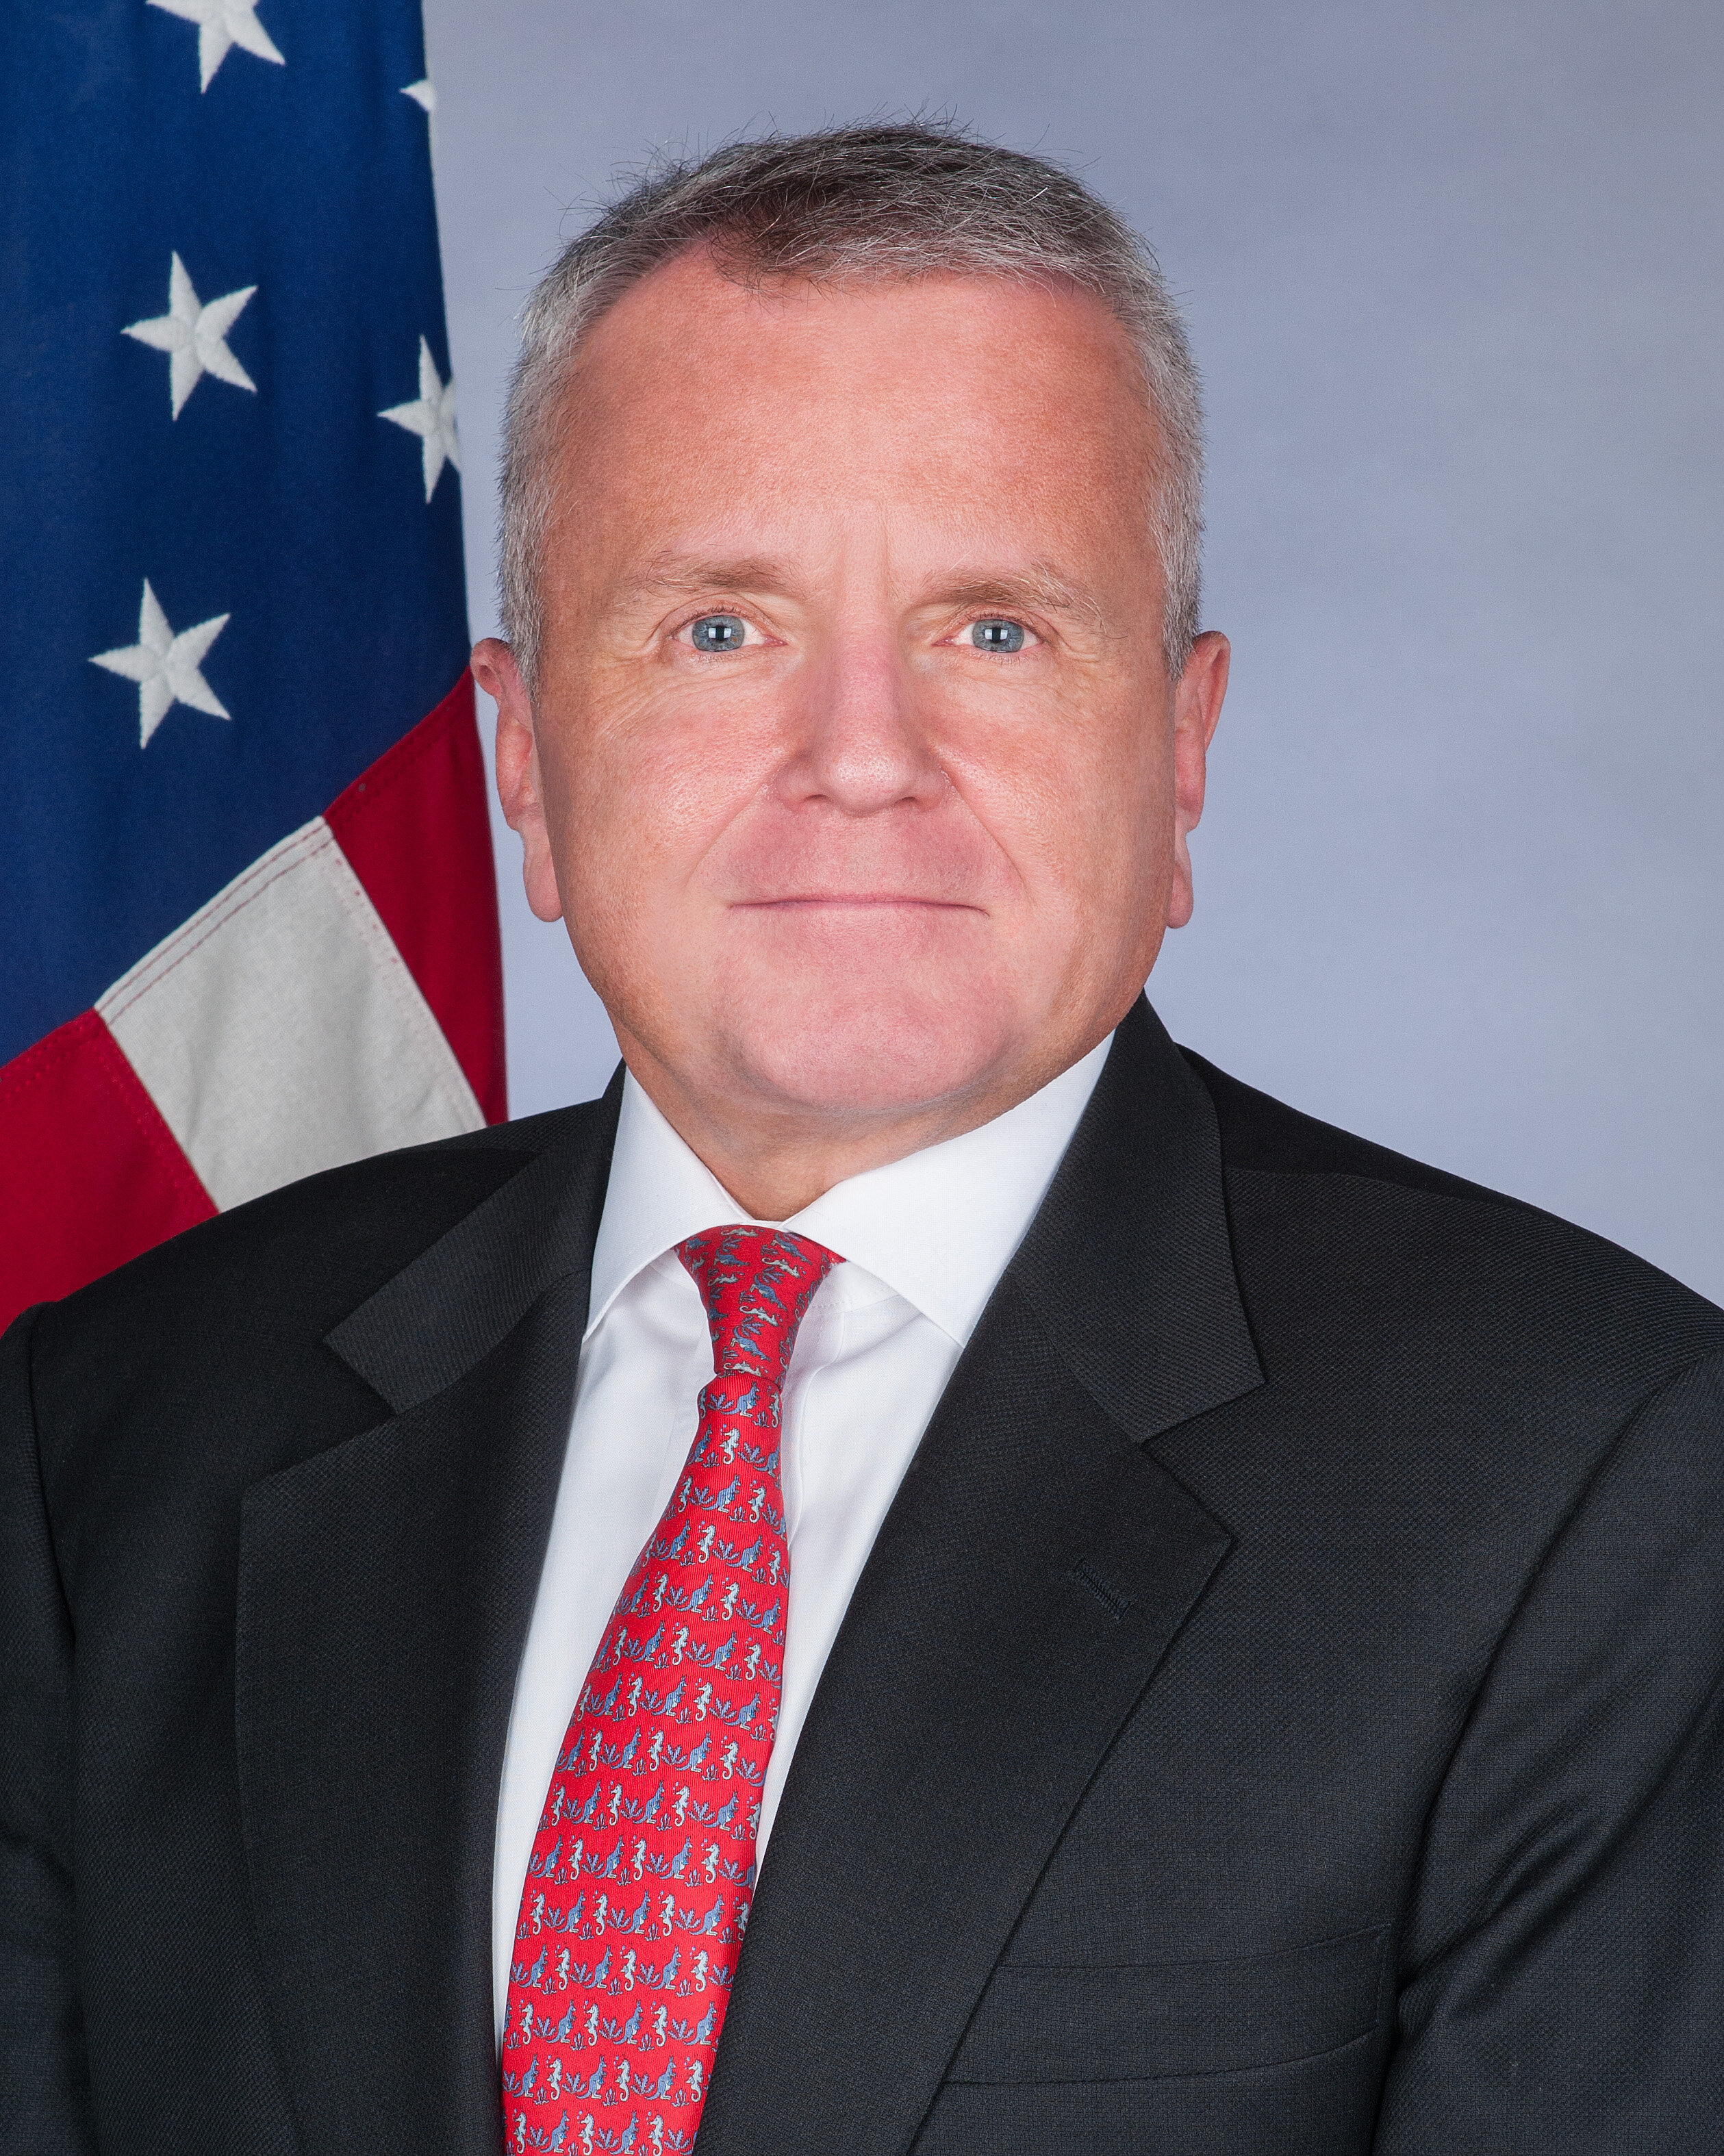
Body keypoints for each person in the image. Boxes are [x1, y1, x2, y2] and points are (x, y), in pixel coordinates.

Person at [2, 123, 1721, 2156]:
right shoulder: (110, 1436)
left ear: (1181, 756)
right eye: (719, 630)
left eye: (995, 630)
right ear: (524, 763)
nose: (863, 762)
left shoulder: (1598, 1474)